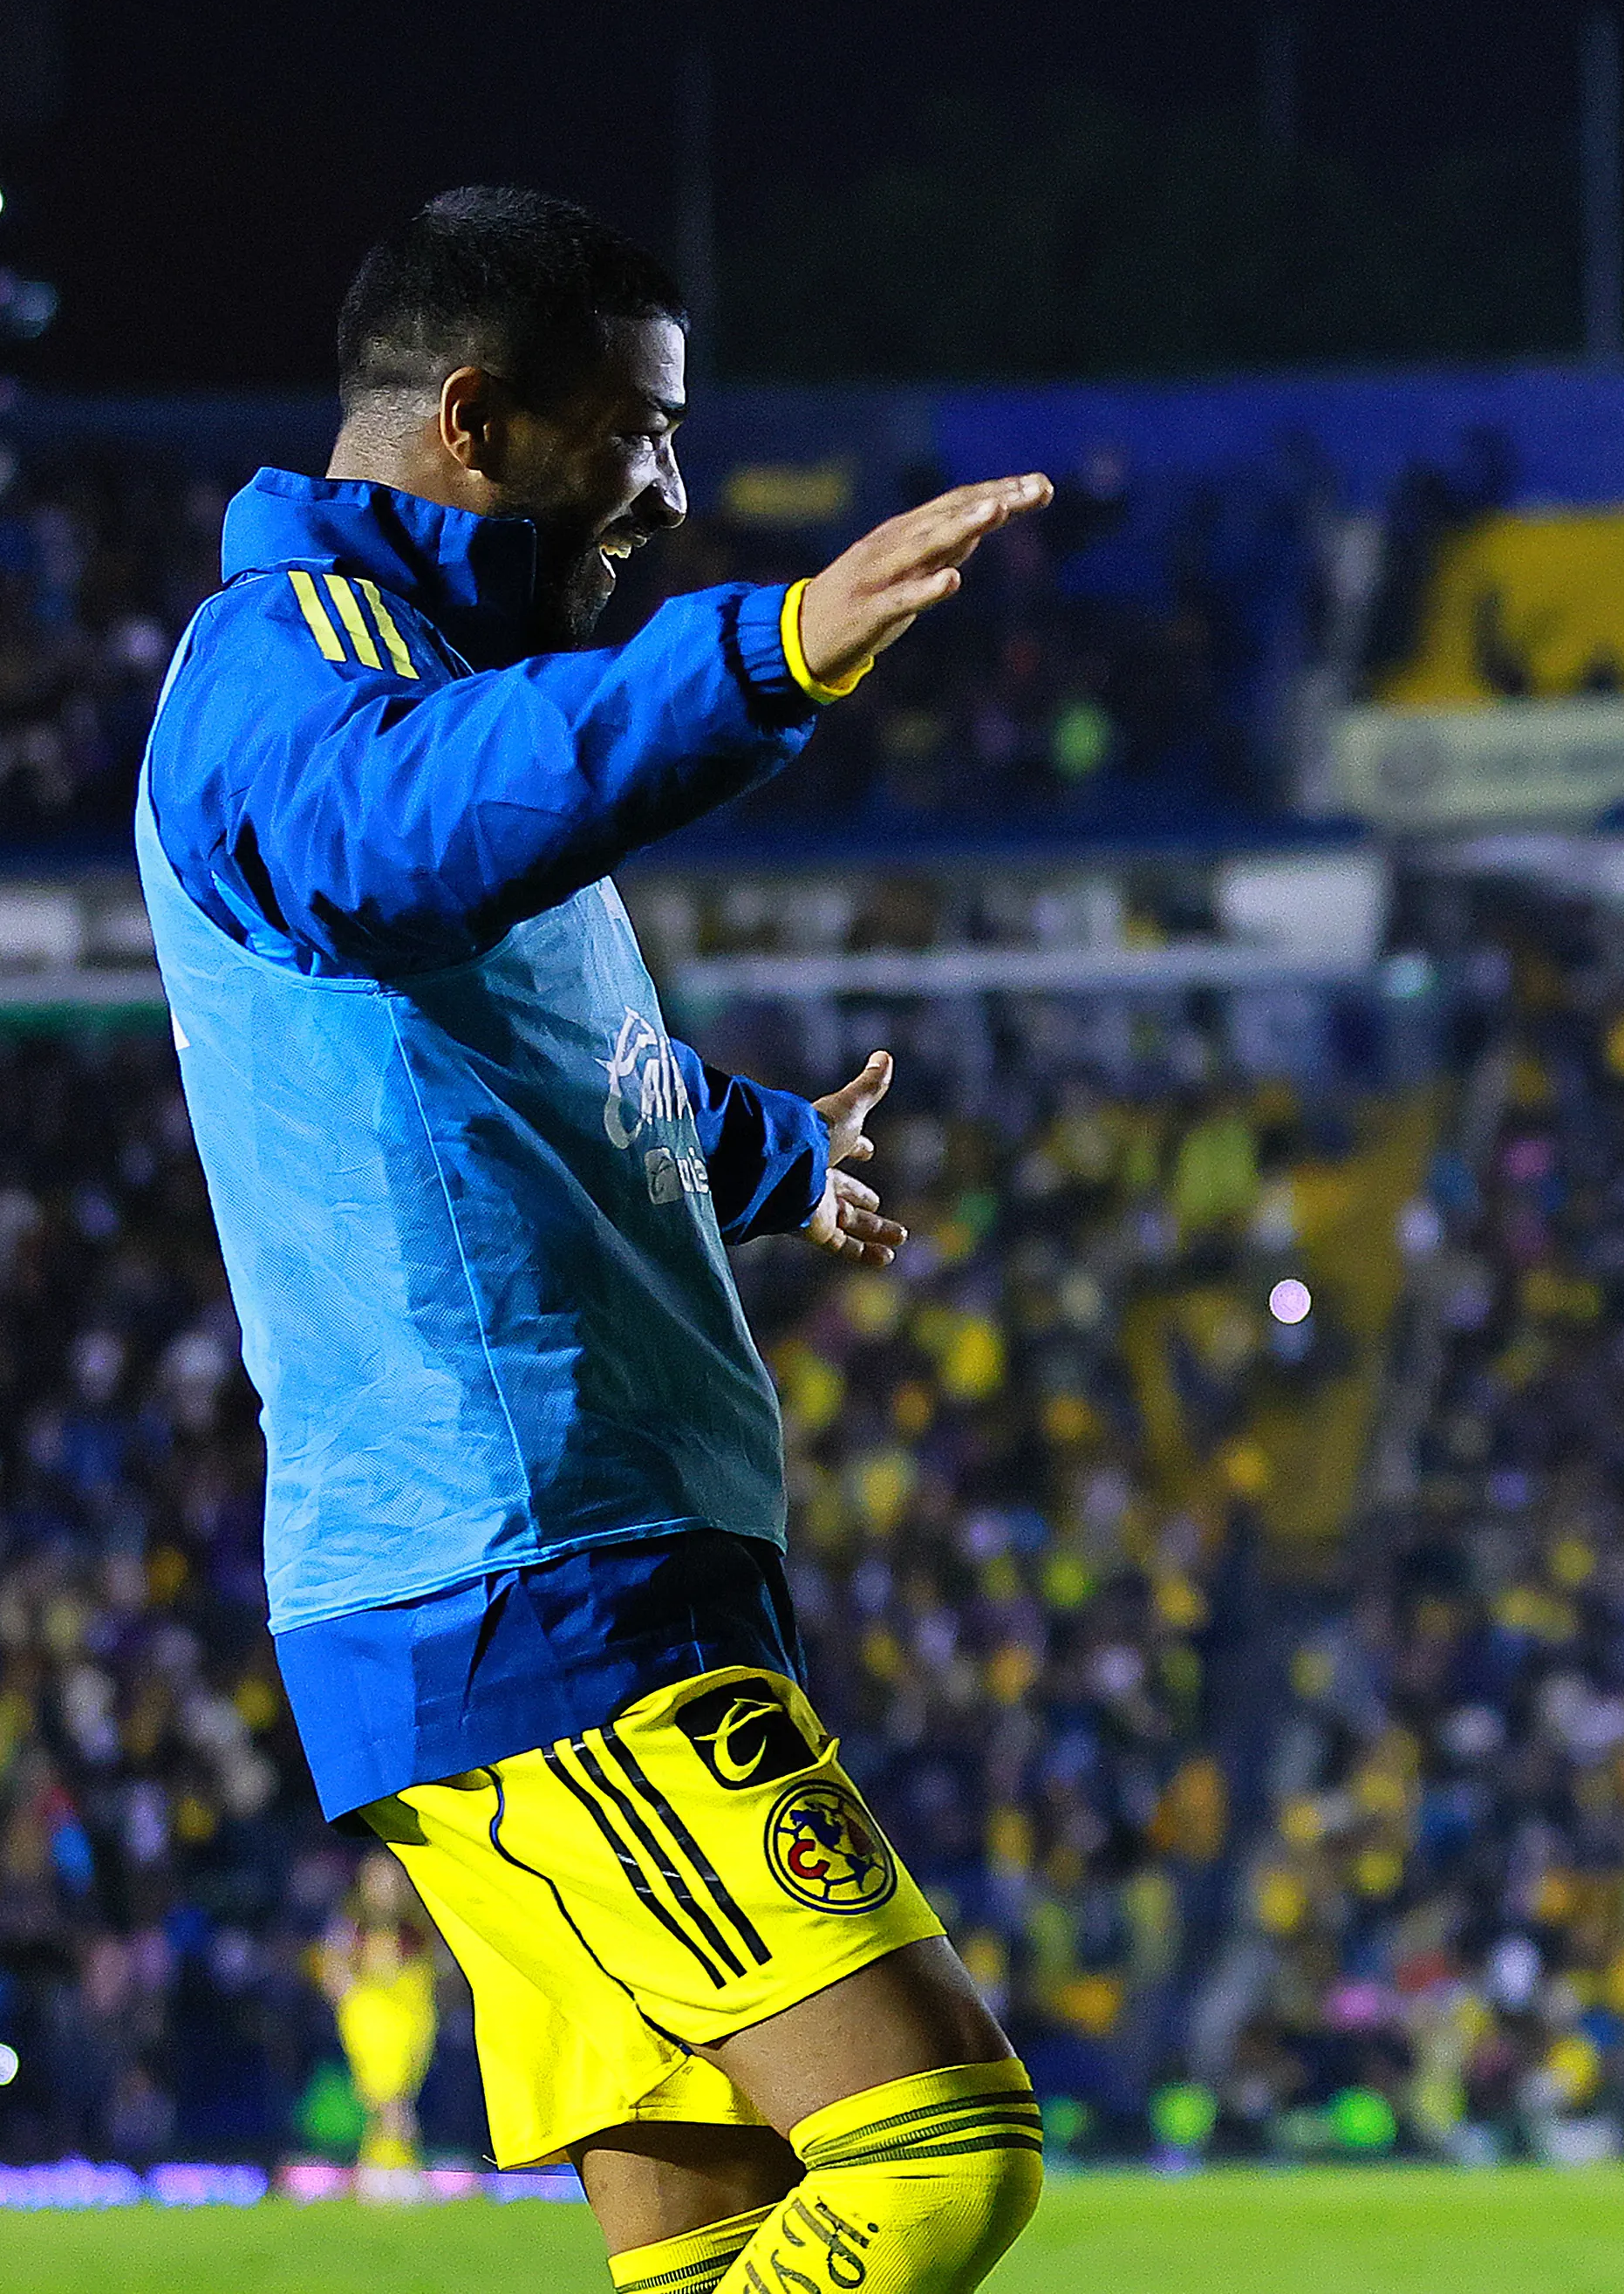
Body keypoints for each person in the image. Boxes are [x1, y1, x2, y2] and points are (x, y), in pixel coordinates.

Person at [136, 187, 1054, 2294]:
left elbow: (520, 1057)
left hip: (566, 1559)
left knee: (707, 2255)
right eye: (634, 433)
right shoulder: (290, 674)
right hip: (527, 1581)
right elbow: (388, 840)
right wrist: (772, 647)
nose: (665, 488)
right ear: (476, 418)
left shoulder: (446, 683)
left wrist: (751, 1149)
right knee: (938, 2153)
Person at [320, 1849, 445, 2197]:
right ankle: (400, 2172)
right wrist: (349, 1996)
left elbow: (439, 1965)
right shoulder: (351, 1921)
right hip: (368, 2015)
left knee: (397, 2095)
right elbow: (332, 1965)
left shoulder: (418, 1922)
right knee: (386, 2094)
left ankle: (378, 2170)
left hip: (410, 2014)